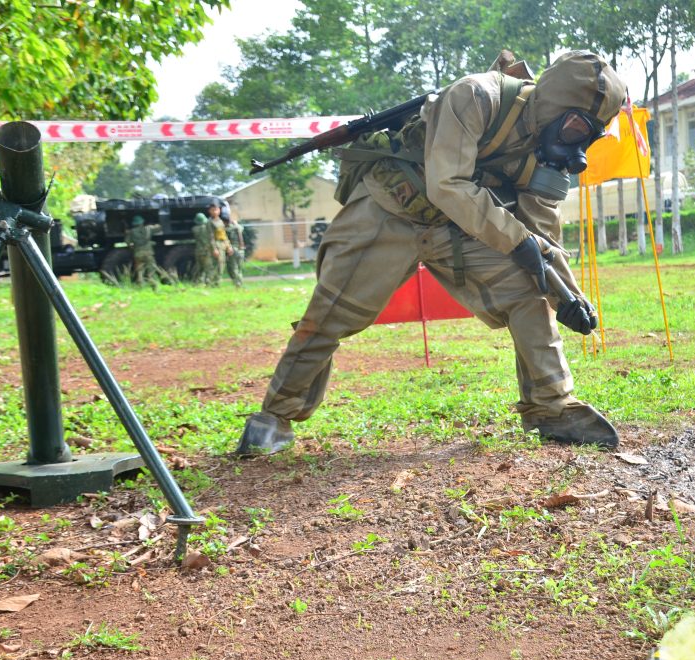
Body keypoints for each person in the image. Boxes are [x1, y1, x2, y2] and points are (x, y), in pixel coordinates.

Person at [236, 50, 627, 456]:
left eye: (591, 134)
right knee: (330, 313)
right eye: (577, 126)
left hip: (459, 226)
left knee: (530, 289)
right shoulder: (476, 96)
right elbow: (450, 185)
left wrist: (568, 295)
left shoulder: (546, 152)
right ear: (554, 101)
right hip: (388, 207)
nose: (577, 144)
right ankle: (274, 417)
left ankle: (552, 407)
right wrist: (521, 242)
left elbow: (544, 236)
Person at [124, 215, 168, 287]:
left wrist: (132, 247)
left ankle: (141, 285)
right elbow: (159, 227)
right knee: (151, 270)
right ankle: (153, 285)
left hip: (138, 254)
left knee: (140, 271)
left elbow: (127, 242)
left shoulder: (131, 232)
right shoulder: (148, 229)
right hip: (149, 253)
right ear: (142, 222)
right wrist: (154, 224)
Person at [205, 202, 231, 286]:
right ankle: (211, 282)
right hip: (216, 244)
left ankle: (217, 282)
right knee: (215, 264)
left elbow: (224, 235)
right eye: (213, 210)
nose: (215, 211)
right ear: (209, 211)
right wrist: (214, 249)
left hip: (223, 243)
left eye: (217, 209)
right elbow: (210, 237)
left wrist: (228, 246)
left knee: (221, 264)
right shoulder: (210, 222)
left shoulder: (220, 221)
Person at [191, 212, 212, 285]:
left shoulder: (194, 229)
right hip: (206, 250)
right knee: (208, 267)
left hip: (198, 250)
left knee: (199, 267)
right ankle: (208, 282)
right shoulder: (205, 228)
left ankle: (198, 281)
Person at [225, 216, 246, 287]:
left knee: (233, 268)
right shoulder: (238, 227)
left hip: (233, 250)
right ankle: (240, 283)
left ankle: (237, 284)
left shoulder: (227, 229)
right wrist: (236, 224)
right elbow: (241, 228)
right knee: (239, 269)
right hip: (241, 250)